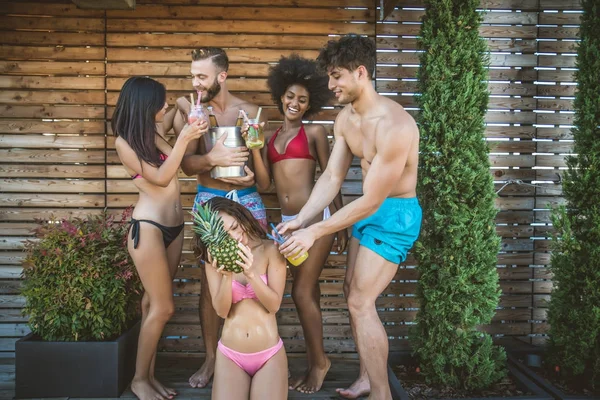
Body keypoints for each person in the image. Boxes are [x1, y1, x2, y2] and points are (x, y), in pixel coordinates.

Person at [276, 35, 422, 400]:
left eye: (337, 76)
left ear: (360, 73)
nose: (330, 85)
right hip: (364, 210)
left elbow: (373, 199)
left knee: (360, 301)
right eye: (328, 76)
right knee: (351, 294)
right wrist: (302, 219)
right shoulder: (346, 118)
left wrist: (316, 232)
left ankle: (381, 394)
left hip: (394, 215)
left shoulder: (395, 125)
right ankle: (366, 378)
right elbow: (332, 177)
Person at [162, 47, 269, 388]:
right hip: (210, 200)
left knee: (255, 278)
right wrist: (212, 157)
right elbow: (186, 164)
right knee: (212, 285)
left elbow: (262, 174)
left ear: (221, 76)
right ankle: (212, 358)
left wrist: (250, 175)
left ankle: (262, 353)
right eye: (192, 75)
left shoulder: (251, 112)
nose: (195, 82)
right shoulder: (193, 112)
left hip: (248, 202)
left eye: (201, 76)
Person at [250, 54, 347, 394]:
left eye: (302, 99)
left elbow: (331, 179)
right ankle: (313, 362)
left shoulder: (316, 132)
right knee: (309, 293)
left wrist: (339, 224)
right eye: (290, 97)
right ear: (280, 97)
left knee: (301, 291)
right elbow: (264, 185)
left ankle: (320, 364)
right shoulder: (271, 137)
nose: (295, 103)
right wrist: (256, 149)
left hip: (314, 222)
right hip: (286, 224)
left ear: (310, 104)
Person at [112, 77, 207, 400]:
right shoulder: (124, 143)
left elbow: (184, 105)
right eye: (160, 102)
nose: (165, 105)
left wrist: (190, 116)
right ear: (144, 104)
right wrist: (184, 138)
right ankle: (139, 380)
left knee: (151, 304)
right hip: (149, 228)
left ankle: (149, 377)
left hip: (175, 227)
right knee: (164, 307)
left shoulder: (152, 131)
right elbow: (162, 176)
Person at [194, 197, 288, 400]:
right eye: (225, 235)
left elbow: (274, 305)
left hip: (268, 355)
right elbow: (221, 311)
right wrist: (227, 276)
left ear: (241, 216)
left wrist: (250, 274)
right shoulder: (213, 260)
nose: (236, 237)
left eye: (235, 227)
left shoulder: (270, 250)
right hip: (230, 355)